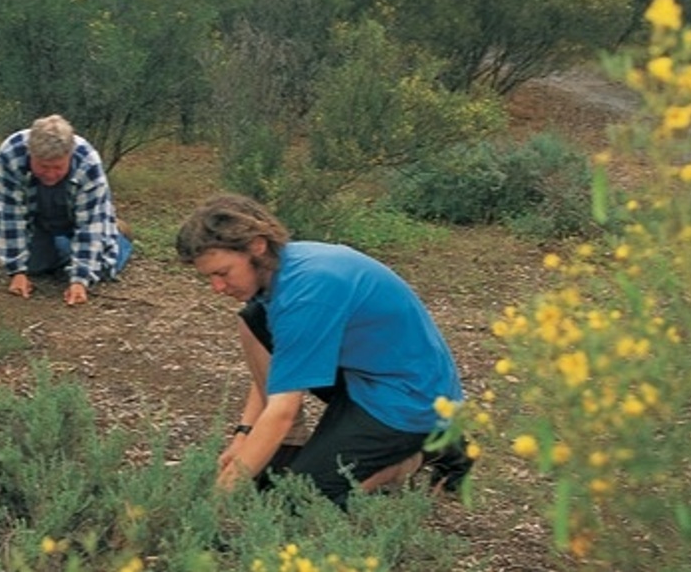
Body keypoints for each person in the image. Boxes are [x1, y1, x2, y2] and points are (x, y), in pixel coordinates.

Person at [175, 193, 472, 508]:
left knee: (298, 503)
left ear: (257, 246)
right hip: (363, 375)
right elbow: (280, 363)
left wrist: (214, 503)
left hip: (409, 398)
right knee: (252, 320)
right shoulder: (278, 271)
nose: (217, 288)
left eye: (222, 273)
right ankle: (292, 445)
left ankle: (417, 455)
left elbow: (282, 410)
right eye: (209, 277)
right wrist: (244, 436)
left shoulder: (308, 291)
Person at [0, 114, 133, 305]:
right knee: (34, 267)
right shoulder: (10, 154)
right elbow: (10, 215)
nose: (50, 174)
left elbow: (89, 226)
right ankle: (64, 248)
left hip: (81, 217)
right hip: (38, 220)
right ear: (30, 153)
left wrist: (79, 281)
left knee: (103, 268)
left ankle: (117, 236)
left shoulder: (88, 161)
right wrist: (17, 271)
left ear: (70, 154)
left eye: (58, 167)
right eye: (43, 166)